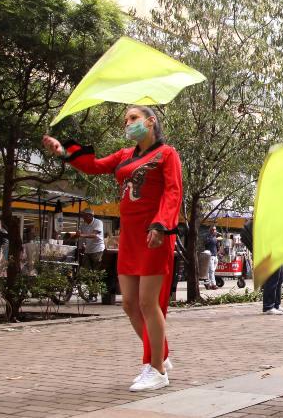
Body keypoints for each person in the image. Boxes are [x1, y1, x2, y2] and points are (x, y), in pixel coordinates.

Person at [42, 105, 181, 392]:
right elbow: (94, 165)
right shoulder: (124, 155)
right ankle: (159, 355)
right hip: (129, 236)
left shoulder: (167, 154)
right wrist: (63, 151)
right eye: (126, 120)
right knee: (129, 304)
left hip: (153, 234)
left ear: (150, 121)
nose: (127, 124)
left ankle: (156, 369)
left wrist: (160, 225)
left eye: (133, 118)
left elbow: (172, 192)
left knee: (147, 303)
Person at [72, 208, 105, 302]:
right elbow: (81, 239)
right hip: (88, 250)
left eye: (85, 215)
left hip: (98, 250)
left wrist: (81, 235)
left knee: (96, 273)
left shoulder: (98, 222)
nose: (83, 217)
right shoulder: (83, 225)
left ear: (90, 215)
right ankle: (91, 292)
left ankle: (93, 294)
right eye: (83, 215)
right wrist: (79, 245)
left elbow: (94, 235)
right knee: (87, 273)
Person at [203, 226, 219, 290]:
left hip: (215, 255)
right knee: (211, 270)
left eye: (215, 229)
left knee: (212, 271)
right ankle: (213, 284)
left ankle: (207, 283)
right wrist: (212, 237)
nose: (215, 231)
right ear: (210, 230)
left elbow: (217, 246)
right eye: (213, 230)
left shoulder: (215, 237)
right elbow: (205, 243)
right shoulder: (208, 237)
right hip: (210, 255)